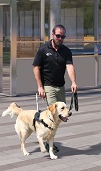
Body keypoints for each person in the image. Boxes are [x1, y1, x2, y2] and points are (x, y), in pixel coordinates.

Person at [33, 24, 77, 153]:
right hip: (48, 86)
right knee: (52, 115)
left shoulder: (66, 51)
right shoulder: (43, 49)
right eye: (58, 36)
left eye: (63, 36)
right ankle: (48, 142)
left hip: (60, 86)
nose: (60, 38)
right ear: (52, 35)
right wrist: (40, 86)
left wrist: (73, 82)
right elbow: (36, 67)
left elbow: (69, 67)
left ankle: (48, 138)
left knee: (59, 117)